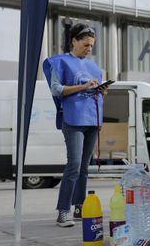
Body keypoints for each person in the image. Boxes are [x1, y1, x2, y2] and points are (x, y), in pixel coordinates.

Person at [43, 23, 110, 227]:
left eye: (91, 45)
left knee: (83, 167)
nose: (89, 48)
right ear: (73, 40)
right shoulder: (60, 62)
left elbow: (95, 93)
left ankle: (80, 207)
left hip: (92, 119)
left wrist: (100, 90)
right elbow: (56, 89)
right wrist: (83, 86)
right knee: (73, 165)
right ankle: (63, 211)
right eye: (86, 44)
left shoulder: (95, 67)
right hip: (73, 119)